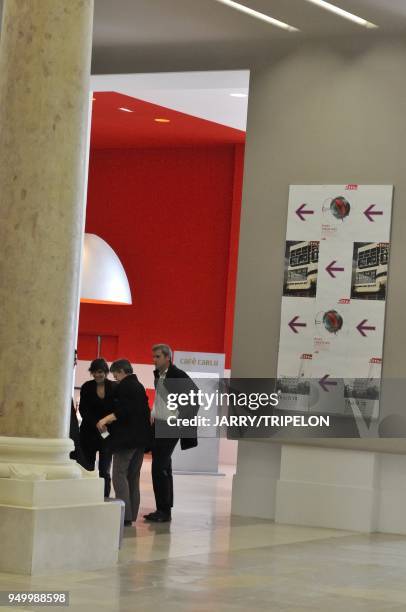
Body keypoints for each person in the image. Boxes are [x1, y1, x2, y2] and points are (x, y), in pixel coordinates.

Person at [144, 344, 198, 523]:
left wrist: (180, 418)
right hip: (159, 424)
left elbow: (194, 398)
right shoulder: (159, 375)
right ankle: (164, 509)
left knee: (159, 467)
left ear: (168, 357)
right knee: (164, 467)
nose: (154, 360)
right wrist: (153, 412)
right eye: (153, 357)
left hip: (170, 426)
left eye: (157, 357)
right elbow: (161, 399)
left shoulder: (178, 375)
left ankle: (164, 510)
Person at [96, 359, 152, 526]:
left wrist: (105, 419)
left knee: (119, 475)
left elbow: (124, 410)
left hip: (126, 440)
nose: (115, 378)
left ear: (121, 371)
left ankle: (124, 516)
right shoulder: (139, 386)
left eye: (115, 375)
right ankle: (131, 514)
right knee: (133, 477)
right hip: (140, 440)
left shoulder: (126, 386)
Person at [78, 358, 116, 497]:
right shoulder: (87, 386)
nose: (97, 375)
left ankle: (104, 496)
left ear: (105, 372)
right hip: (88, 432)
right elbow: (83, 410)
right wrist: (97, 423)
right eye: (94, 372)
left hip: (106, 433)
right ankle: (86, 495)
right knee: (87, 466)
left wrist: (106, 423)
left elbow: (117, 410)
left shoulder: (114, 387)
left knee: (104, 468)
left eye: (100, 372)